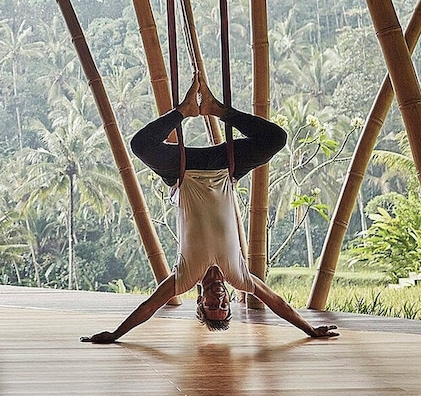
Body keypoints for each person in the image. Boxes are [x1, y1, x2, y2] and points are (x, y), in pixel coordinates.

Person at [83, 74, 338, 343]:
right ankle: (219, 110)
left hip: (183, 171)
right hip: (225, 168)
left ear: (200, 301)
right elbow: (277, 302)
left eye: (212, 306)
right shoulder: (239, 276)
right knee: (275, 138)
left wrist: (115, 334)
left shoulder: (183, 278)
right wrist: (310, 330)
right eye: (224, 306)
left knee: (140, 145)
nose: (218, 301)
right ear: (229, 300)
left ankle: (184, 111)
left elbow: (148, 307)